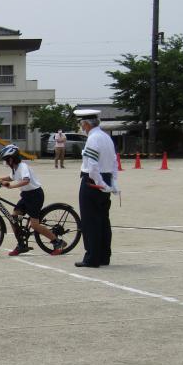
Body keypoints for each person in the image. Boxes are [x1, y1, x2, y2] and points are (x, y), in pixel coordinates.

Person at [0, 144, 67, 256]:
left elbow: (26, 180)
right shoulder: (15, 168)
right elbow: (11, 177)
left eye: (6, 160)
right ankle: (21, 245)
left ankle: (57, 242)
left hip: (35, 196)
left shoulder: (23, 167)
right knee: (13, 218)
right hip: (26, 195)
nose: (6, 163)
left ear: (11, 159)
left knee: (35, 225)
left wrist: (11, 186)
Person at [74, 109, 119, 268]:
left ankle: (92, 258)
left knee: (90, 221)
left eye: (81, 124)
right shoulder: (106, 137)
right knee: (102, 220)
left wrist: (101, 183)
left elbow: (92, 166)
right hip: (105, 178)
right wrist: (113, 183)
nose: (81, 127)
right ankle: (104, 256)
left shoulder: (93, 139)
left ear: (85, 124)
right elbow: (114, 162)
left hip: (93, 182)